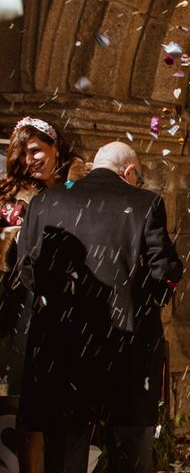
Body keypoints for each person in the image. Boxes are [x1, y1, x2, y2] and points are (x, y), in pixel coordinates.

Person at [16, 141, 182, 473]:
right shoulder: (145, 203)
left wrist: (64, 308)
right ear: (130, 171)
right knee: (129, 452)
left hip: (59, 348)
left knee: (63, 454)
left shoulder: (45, 202)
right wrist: (137, 304)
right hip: (125, 351)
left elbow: (25, 269)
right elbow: (165, 274)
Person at [0, 117, 86, 473]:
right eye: (22, 152)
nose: (29, 158)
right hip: (23, 302)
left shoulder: (77, 185)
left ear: (55, 148)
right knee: (28, 399)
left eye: (36, 149)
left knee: (65, 398)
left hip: (72, 304)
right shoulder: (9, 196)